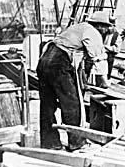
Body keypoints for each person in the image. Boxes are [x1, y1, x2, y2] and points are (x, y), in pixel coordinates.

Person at [36, 10, 110, 151]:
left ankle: (50, 142)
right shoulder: (93, 32)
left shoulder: (78, 27)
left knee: (47, 105)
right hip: (58, 63)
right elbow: (98, 60)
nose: (107, 30)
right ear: (100, 26)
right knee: (71, 104)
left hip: (44, 60)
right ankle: (76, 142)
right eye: (106, 27)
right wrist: (105, 84)